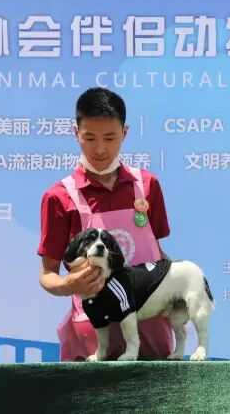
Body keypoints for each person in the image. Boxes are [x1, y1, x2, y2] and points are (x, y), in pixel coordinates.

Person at [37, 87, 174, 361]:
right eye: (89, 137)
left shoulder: (147, 185)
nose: (100, 148)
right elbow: (48, 273)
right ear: (75, 132)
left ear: (125, 132)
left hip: (149, 325)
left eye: (110, 137)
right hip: (94, 329)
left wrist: (180, 286)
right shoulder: (59, 197)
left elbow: (156, 252)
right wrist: (68, 285)